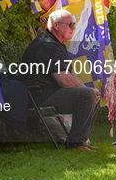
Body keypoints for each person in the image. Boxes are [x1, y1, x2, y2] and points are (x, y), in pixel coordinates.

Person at [18, 9, 100, 151]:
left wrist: (87, 89)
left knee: (90, 94)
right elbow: (64, 80)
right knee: (87, 95)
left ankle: (80, 140)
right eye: (70, 25)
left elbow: (68, 74)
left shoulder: (55, 43)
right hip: (39, 96)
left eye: (74, 25)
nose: (73, 28)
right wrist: (87, 90)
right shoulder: (47, 44)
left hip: (47, 93)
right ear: (56, 25)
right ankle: (75, 144)